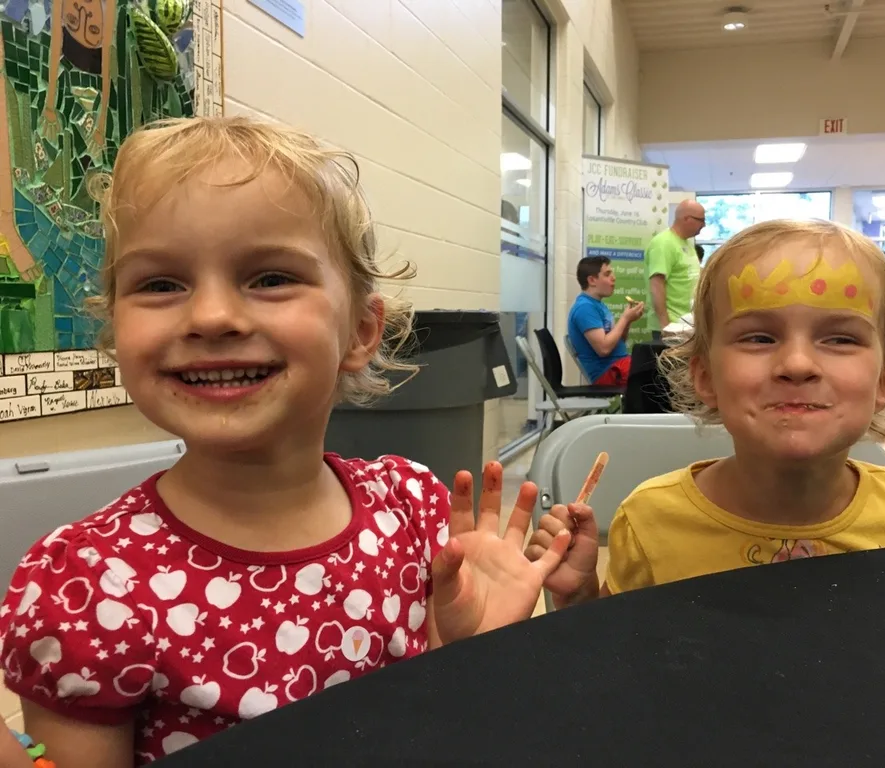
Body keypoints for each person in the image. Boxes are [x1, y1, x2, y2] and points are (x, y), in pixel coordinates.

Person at [0, 117, 572, 767]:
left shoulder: (413, 511)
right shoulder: (86, 586)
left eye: (270, 277)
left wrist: (471, 657)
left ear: (359, 331)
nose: (212, 316)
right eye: (160, 284)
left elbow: (458, 727)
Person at [528, 219, 885, 605]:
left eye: (841, 339)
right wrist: (578, 601)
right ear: (706, 377)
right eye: (758, 338)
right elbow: (617, 659)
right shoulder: (650, 521)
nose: (797, 365)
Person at [567, 256, 645, 386]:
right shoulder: (585, 308)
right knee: (654, 371)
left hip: (619, 365)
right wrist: (625, 318)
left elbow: (618, 342)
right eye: (607, 274)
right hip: (608, 372)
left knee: (656, 365)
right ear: (592, 280)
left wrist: (628, 322)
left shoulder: (598, 305)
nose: (613, 278)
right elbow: (603, 349)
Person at [644, 199, 704, 333]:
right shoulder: (663, 243)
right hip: (672, 327)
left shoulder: (687, 243)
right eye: (701, 220)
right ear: (687, 218)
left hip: (688, 324)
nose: (704, 225)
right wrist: (665, 326)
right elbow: (657, 285)